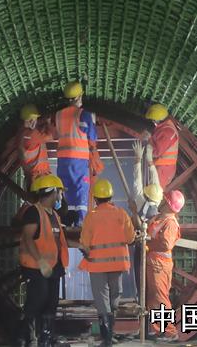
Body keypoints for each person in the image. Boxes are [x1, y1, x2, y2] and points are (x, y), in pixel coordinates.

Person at [78, 179, 135, 346]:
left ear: (95, 198)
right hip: (117, 264)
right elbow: (130, 238)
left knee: (102, 301)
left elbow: (84, 243)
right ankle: (111, 333)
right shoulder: (121, 214)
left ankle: (107, 338)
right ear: (111, 196)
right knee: (114, 297)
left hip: (97, 265)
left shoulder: (91, 216)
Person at [16, 174, 69, 347]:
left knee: (51, 302)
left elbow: (56, 240)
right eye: (60, 192)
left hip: (53, 267)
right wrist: (40, 261)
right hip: (36, 266)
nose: (61, 195)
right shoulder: (33, 212)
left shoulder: (54, 215)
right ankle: (26, 337)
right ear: (53, 192)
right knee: (37, 299)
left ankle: (46, 339)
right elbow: (27, 238)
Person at [55, 81, 101, 227]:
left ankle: (67, 222)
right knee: (81, 189)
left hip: (62, 161)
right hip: (78, 160)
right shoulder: (83, 114)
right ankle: (81, 223)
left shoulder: (58, 115)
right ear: (80, 96)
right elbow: (92, 137)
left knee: (67, 190)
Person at [145, 189, 185, 341]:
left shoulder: (170, 223)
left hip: (160, 264)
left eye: (165, 199)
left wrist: (148, 242)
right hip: (155, 262)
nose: (161, 201)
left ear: (168, 204)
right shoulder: (160, 218)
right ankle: (157, 330)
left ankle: (170, 332)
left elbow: (166, 244)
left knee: (160, 297)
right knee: (153, 298)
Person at [127, 140, 163, 300]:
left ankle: (142, 299)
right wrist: (150, 162)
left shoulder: (141, 201)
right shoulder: (158, 200)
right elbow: (155, 182)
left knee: (140, 276)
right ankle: (148, 300)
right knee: (152, 281)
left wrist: (138, 160)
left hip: (141, 245)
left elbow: (137, 182)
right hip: (154, 250)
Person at [141, 104, 179, 189]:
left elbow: (155, 152)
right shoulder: (165, 128)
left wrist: (148, 138)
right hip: (162, 168)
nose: (152, 122)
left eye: (152, 120)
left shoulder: (167, 132)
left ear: (157, 120)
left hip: (162, 170)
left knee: (151, 192)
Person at [18, 104, 52, 189]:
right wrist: (48, 122)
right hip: (39, 177)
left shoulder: (22, 134)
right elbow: (51, 136)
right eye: (36, 119)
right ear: (31, 120)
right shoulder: (33, 135)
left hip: (33, 177)